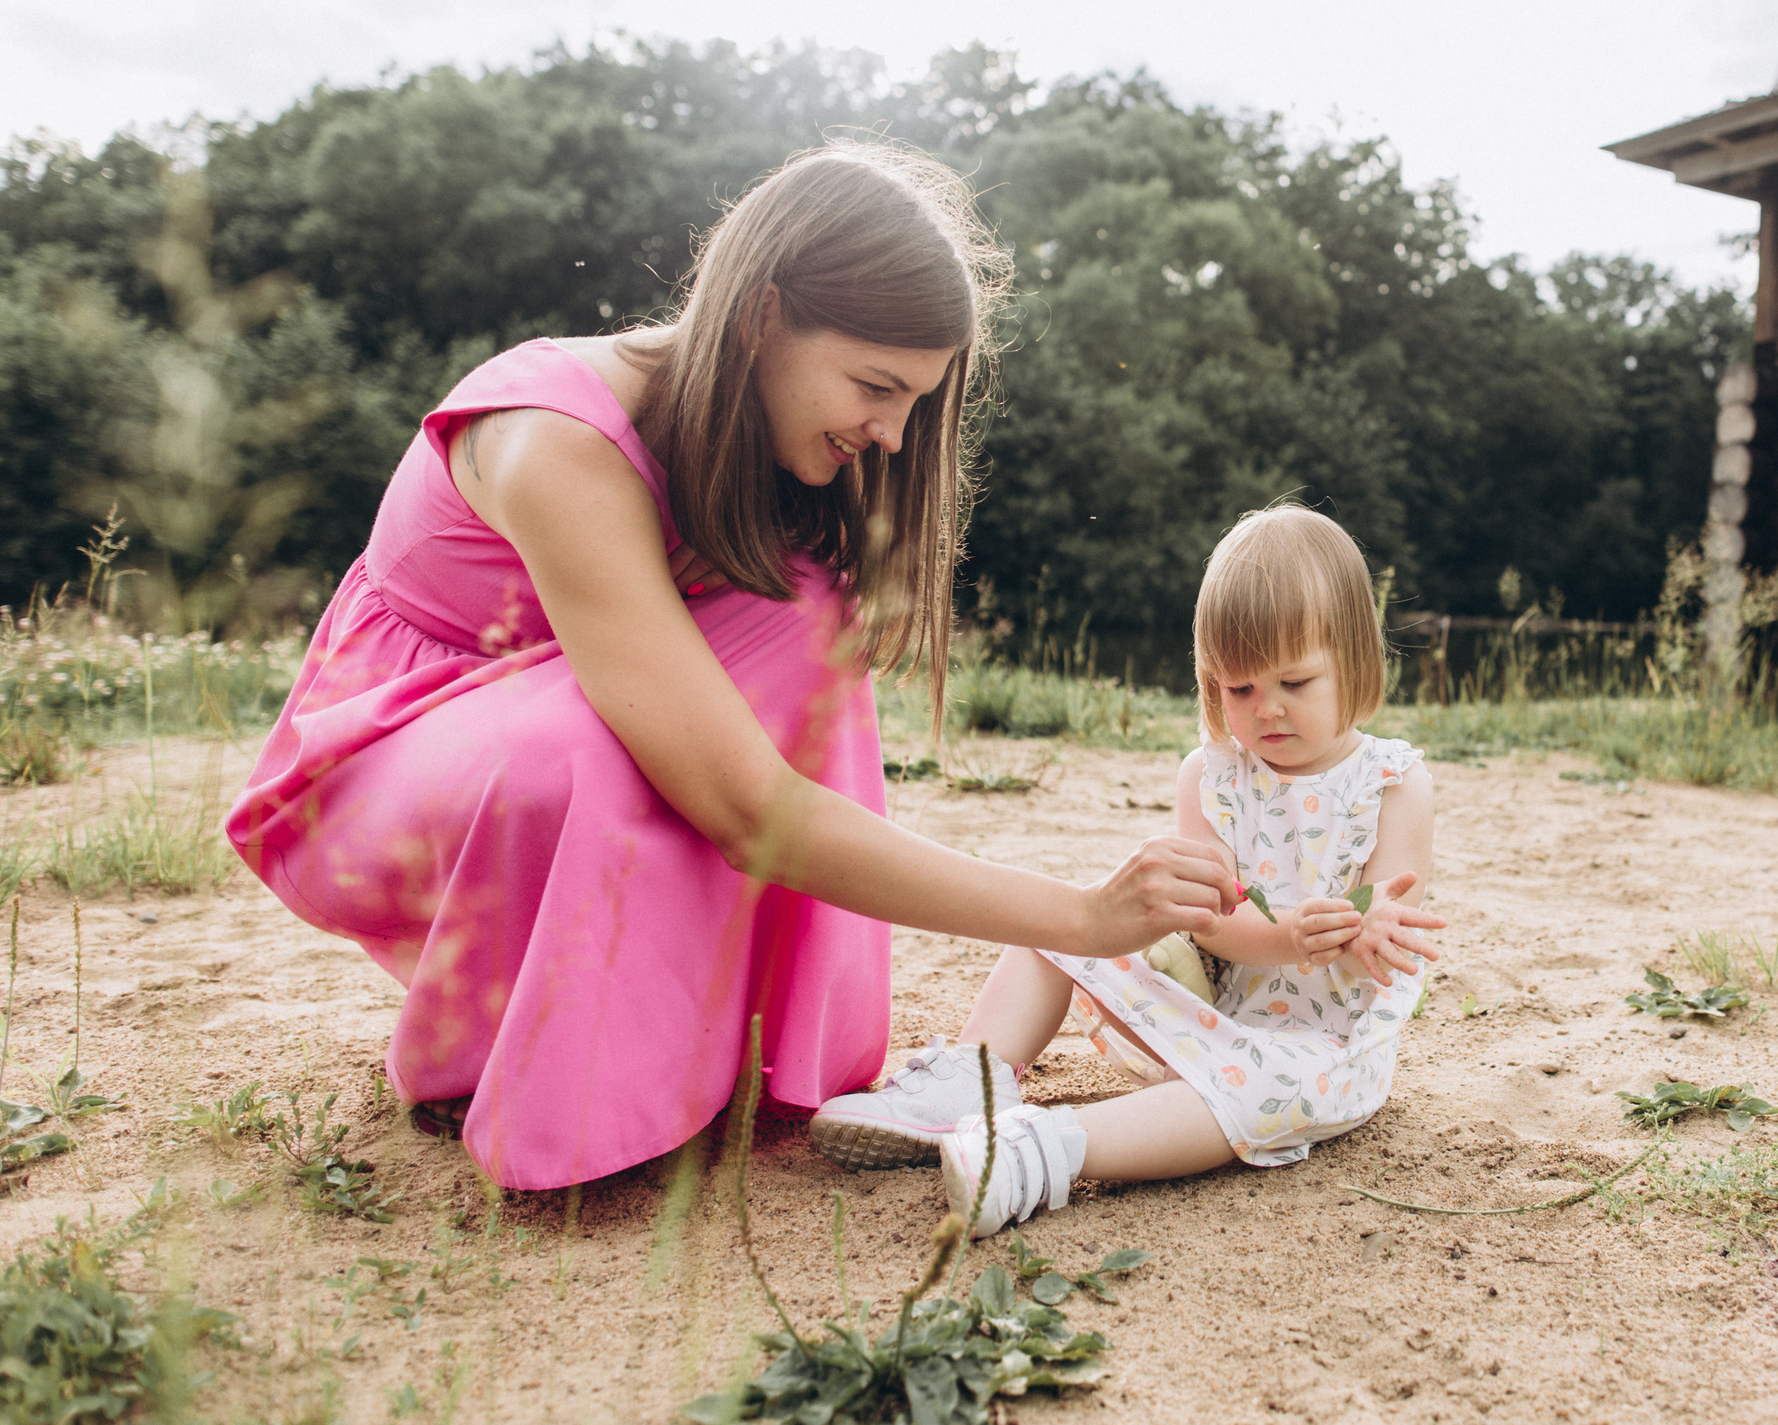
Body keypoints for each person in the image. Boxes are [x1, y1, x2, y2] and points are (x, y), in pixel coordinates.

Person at [224, 145, 1233, 1192]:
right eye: (875, 386)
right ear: (760, 316)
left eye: (914, 401)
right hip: (378, 766)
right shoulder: (554, 442)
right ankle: (495, 1058)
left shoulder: (766, 456)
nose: (889, 434)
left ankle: (721, 1052)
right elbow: (744, 808)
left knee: (801, 612)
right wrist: (1078, 919)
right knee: (592, 752)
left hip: (540, 713)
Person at [812, 507, 1444, 1237]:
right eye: (1239, 689)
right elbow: (1216, 924)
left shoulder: (1394, 782)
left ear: (1355, 659)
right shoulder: (1212, 777)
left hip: (1324, 1051)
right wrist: (1289, 935)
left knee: (1271, 1089)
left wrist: (1374, 932)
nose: (1266, 708)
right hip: (1212, 1018)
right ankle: (975, 1074)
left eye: (1295, 681)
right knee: (1061, 918)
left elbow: (1392, 902)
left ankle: (1050, 1150)